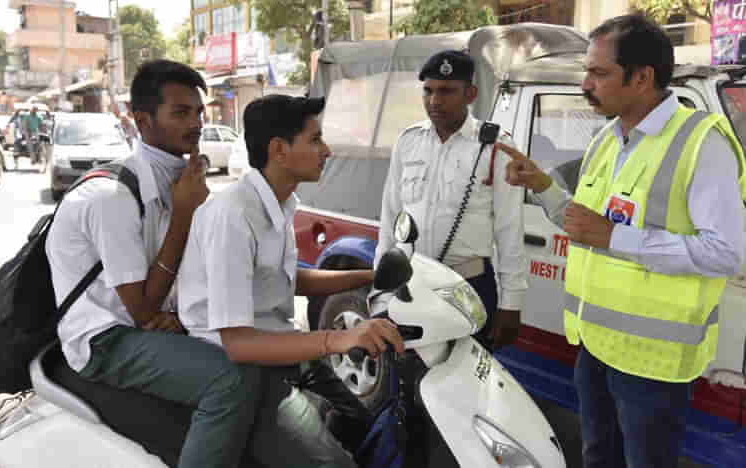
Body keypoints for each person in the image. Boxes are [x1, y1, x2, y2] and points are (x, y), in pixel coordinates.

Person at [501, 14, 746, 468]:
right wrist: (542, 186)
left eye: (598, 73)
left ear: (642, 77)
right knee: (598, 457)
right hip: (594, 347)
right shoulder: (607, 141)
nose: (585, 84)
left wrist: (619, 237)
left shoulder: (701, 144)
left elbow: (726, 252)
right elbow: (583, 224)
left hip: (652, 363)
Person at [45, 59, 261, 468]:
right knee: (230, 380)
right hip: (104, 340)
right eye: (180, 113)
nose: (195, 123)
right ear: (142, 120)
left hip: (149, 323)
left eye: (199, 112)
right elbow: (142, 310)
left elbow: (189, 277)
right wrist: (183, 215)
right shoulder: (111, 197)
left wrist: (183, 317)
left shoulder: (181, 182)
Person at [177, 94, 405, 468]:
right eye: (315, 140)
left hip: (282, 345)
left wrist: (368, 276)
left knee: (360, 421)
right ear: (279, 150)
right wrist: (341, 339)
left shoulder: (281, 203)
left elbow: (283, 282)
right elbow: (238, 344)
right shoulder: (233, 214)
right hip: (244, 365)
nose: (326, 150)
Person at [375, 50, 527, 349]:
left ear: (470, 94)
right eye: (428, 91)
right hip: (410, 284)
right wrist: (380, 290)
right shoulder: (409, 142)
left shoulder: (495, 146)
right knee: (409, 377)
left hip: (466, 287)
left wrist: (512, 303)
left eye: (446, 91)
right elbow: (390, 219)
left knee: (467, 381)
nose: (434, 101)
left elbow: (509, 229)